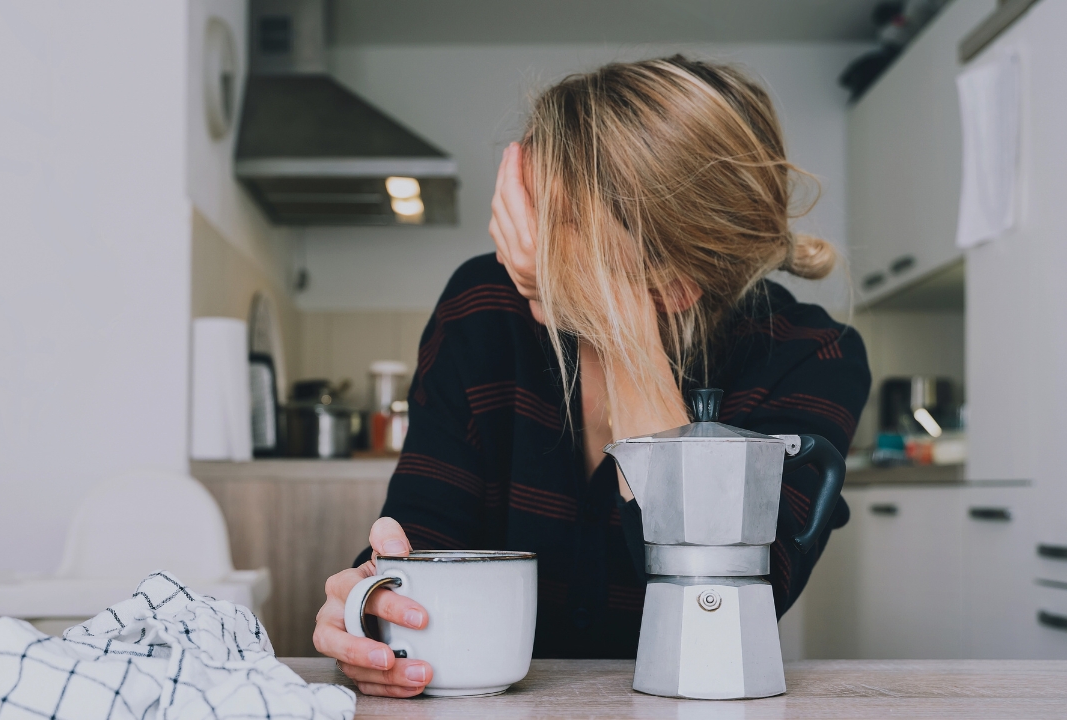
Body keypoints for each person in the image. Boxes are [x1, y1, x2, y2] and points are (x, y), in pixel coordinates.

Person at [312, 55, 871, 697]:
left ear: (676, 284)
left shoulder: (814, 357)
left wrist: (615, 333)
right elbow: (423, 541)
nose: (524, 248)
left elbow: (727, 594)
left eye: (562, 224)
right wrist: (376, 616)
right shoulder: (484, 309)